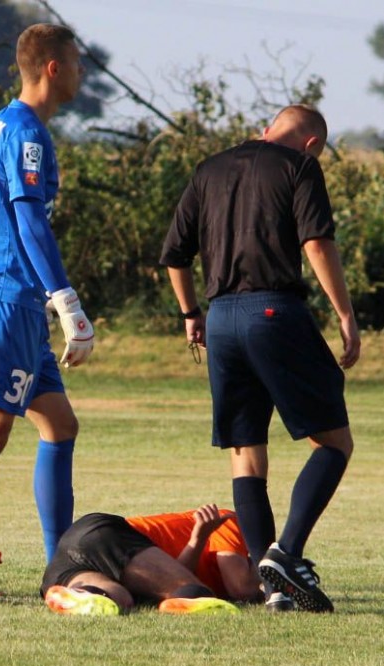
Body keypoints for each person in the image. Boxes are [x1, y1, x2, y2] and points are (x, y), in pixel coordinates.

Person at [159, 104, 360, 613]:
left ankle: (272, 587)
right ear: (312, 143)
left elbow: (174, 255)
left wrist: (190, 314)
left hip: (221, 319)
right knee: (334, 441)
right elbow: (316, 243)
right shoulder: (300, 167)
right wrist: (344, 313)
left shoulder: (210, 168)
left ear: (270, 128)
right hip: (274, 311)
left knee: (246, 454)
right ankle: (286, 554)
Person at [0, 22, 94, 597]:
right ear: (53, 68)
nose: (81, 73)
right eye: (76, 63)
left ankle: (62, 567)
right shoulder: (26, 131)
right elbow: (28, 221)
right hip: (8, 298)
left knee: (59, 424)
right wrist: (67, 301)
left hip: (14, 300)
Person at [40, 504, 252, 616]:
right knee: (194, 594)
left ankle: (77, 594)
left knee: (117, 600)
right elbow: (241, 586)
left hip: (67, 564)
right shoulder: (228, 520)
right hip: (105, 535)